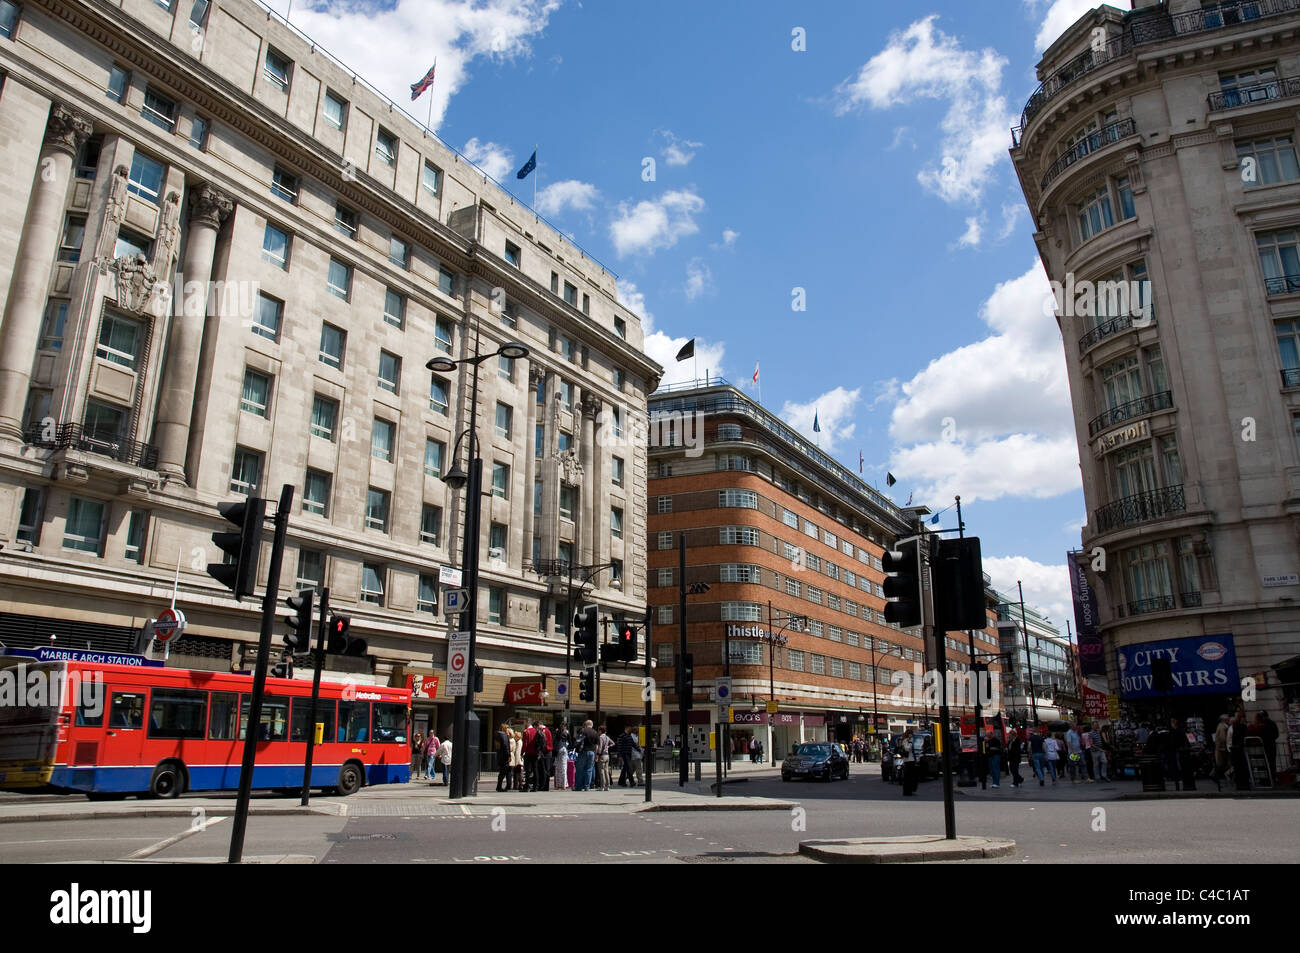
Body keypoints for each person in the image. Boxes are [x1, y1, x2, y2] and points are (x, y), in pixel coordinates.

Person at [575, 720, 598, 791]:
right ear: (591, 725)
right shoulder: (595, 732)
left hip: (583, 752)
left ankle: (578, 786)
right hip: (592, 752)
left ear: (586, 724)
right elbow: (597, 746)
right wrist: (596, 755)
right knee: (589, 770)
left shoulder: (583, 731)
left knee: (580, 769)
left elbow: (578, 741)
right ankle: (587, 786)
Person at [1256, 711, 1279, 781]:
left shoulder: (1268, 724)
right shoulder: (1270, 723)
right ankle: (1268, 778)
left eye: (1262, 716)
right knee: (1269, 762)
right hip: (1269, 745)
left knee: (1270, 762)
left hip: (1268, 745)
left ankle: (1269, 778)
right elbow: (1276, 735)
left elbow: (1276, 734)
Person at [1230, 709, 1250, 790]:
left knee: (1239, 766)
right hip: (1239, 749)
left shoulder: (1236, 727)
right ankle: (1241, 782)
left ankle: (1240, 782)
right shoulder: (1240, 727)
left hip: (1237, 749)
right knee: (1241, 766)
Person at [900, 729, 918, 796]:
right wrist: (910, 742)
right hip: (908, 760)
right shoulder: (906, 740)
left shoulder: (911, 740)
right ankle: (907, 791)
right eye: (911, 734)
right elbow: (907, 749)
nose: (911, 735)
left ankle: (910, 790)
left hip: (910, 759)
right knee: (908, 777)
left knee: (910, 776)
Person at [523, 720, 540, 792]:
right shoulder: (536, 731)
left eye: (524, 723)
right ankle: (535, 786)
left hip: (528, 753)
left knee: (527, 770)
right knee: (535, 769)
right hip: (535, 753)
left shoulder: (526, 731)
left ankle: (527, 786)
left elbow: (525, 744)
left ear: (527, 723)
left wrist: (522, 752)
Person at [537, 720, 553, 791]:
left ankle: (544, 786)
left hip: (546, 752)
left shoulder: (544, 731)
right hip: (548, 752)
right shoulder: (547, 730)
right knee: (546, 769)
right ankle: (545, 786)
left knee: (544, 769)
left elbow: (544, 742)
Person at [596, 725, 613, 791]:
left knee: (601, 771)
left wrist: (597, 755)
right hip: (607, 755)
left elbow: (600, 747)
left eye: (598, 730)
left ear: (600, 730)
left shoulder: (600, 737)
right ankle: (607, 786)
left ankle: (602, 786)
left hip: (602, 755)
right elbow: (613, 743)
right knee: (606, 771)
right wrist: (608, 747)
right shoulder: (607, 737)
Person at [495, 724, 512, 792]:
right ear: (504, 729)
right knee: (503, 772)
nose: (508, 729)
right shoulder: (504, 736)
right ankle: (499, 787)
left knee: (503, 771)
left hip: (500, 756)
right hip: (504, 757)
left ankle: (501, 786)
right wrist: (508, 755)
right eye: (507, 728)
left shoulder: (498, 736)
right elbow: (506, 746)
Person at [554, 725, 570, 790]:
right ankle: (563, 784)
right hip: (563, 750)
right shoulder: (566, 733)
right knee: (563, 768)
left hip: (558, 751)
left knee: (558, 768)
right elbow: (570, 741)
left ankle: (559, 785)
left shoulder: (558, 733)